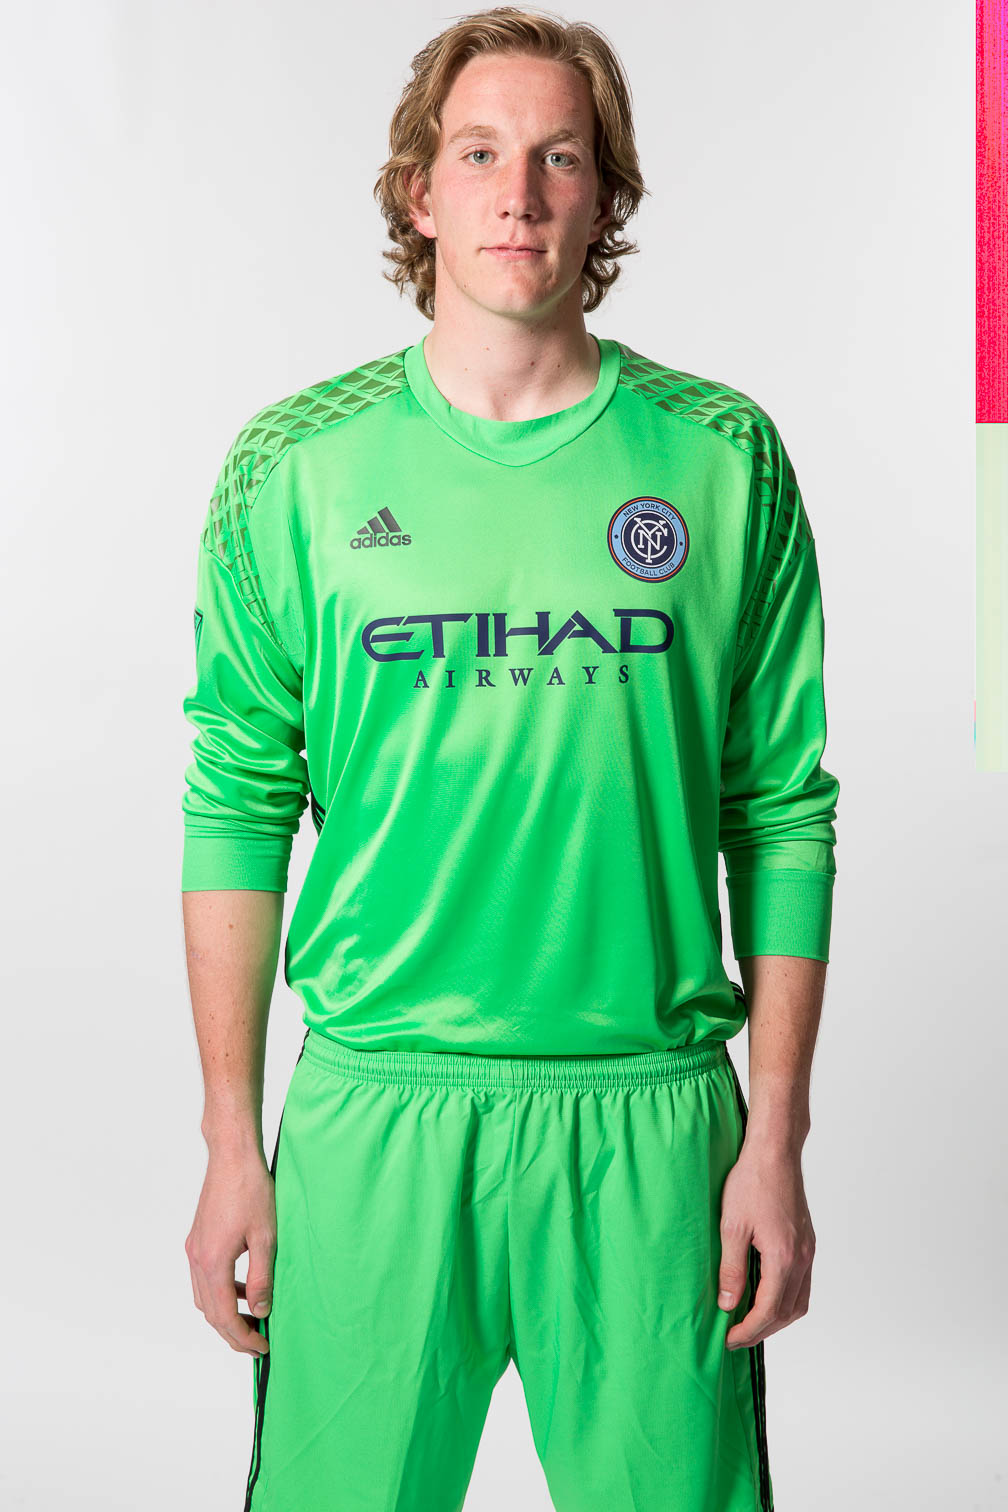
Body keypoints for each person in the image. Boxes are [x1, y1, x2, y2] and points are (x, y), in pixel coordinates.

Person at [180, 8, 838, 1510]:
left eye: (560, 157)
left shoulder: (721, 456)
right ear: (419, 191)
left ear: (606, 195)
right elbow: (236, 805)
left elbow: (783, 811)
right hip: (376, 1112)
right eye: (478, 155)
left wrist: (777, 1142)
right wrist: (230, 1142)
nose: (519, 194)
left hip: (652, 1123)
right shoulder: (294, 466)